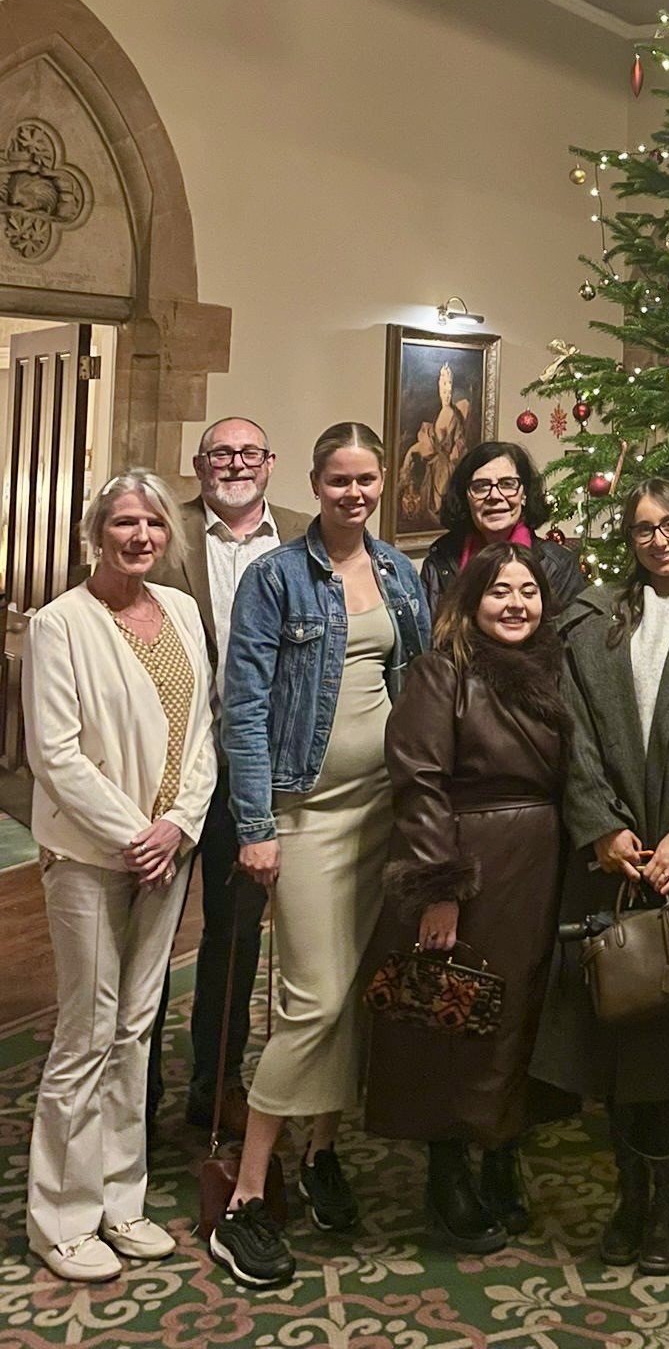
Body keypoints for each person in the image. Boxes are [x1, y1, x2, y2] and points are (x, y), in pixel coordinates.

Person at [213, 422, 431, 1289]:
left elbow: (415, 691)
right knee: (311, 1000)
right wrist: (257, 824)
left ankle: (322, 1153)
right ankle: (246, 1199)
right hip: (304, 817)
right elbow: (246, 709)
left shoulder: (399, 574)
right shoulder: (274, 578)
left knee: (354, 994)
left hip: (382, 813)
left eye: (367, 479)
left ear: (381, 484)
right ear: (314, 481)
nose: (354, 493)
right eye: (338, 479)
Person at [533, 478, 669, 1276]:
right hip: (612, 855)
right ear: (626, 539)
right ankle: (630, 1194)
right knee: (611, 1028)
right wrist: (600, 828)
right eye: (641, 530)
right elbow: (573, 732)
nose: (657, 541)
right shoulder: (592, 617)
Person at [22, 471, 216, 1282]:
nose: (140, 537)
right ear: (95, 532)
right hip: (93, 857)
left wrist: (178, 825)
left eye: (154, 526)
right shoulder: (59, 623)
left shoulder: (180, 611)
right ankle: (59, 1218)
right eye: (124, 523)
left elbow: (202, 731)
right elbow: (55, 753)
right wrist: (137, 833)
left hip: (167, 850)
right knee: (86, 1032)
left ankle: (119, 1200)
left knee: (137, 1028)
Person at [365, 542, 569, 1251]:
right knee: (456, 1016)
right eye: (499, 592)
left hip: (543, 865)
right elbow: (418, 780)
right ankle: (447, 1173)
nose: (516, 604)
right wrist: (439, 889)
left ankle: (503, 1154)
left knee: (521, 1015)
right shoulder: (438, 671)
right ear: (471, 602)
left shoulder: (558, 672)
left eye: (529, 592)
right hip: (470, 863)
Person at [147, 417, 307, 1134]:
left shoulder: (306, 534)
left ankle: (216, 1087)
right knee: (145, 944)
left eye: (248, 452)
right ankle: (133, 1098)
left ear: (270, 463)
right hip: (165, 773)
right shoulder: (160, 531)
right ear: (198, 463)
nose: (235, 463)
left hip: (257, 778)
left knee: (235, 942)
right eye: (220, 452)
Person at [419, 440, 582, 619]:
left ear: (524, 494)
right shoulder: (439, 563)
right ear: (466, 498)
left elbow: (566, 642)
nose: (494, 496)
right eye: (481, 486)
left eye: (507, 484)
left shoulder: (557, 567)